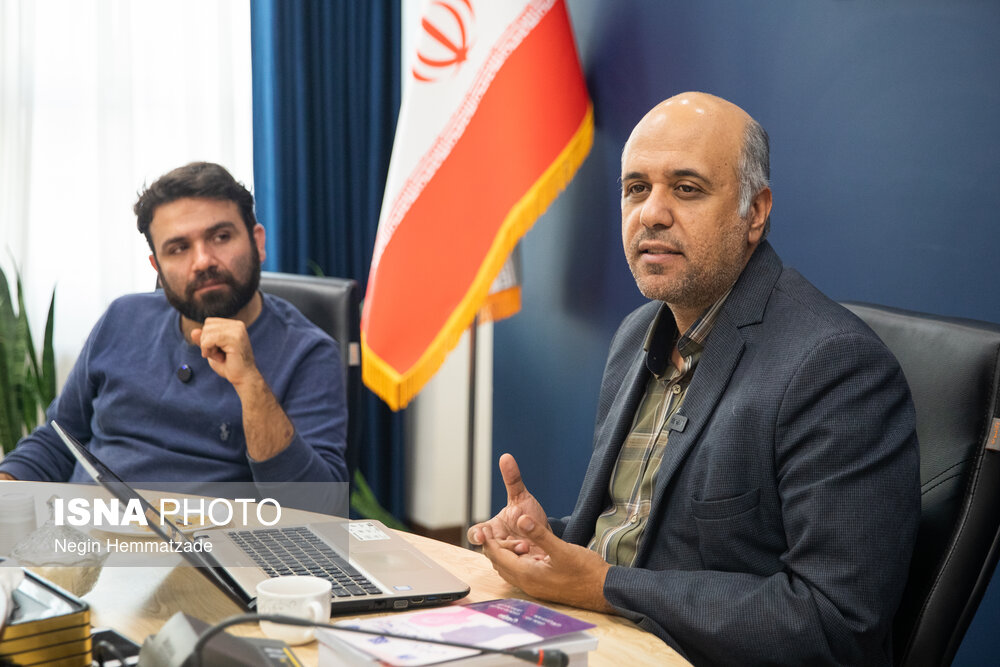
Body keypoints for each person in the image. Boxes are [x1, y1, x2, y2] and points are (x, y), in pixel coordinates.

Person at [469, 93, 920, 665]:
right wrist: (547, 541)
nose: (651, 214)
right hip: (595, 639)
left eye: (686, 188)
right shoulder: (638, 333)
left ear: (755, 213)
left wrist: (602, 586)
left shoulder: (836, 368)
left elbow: (836, 623)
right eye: (636, 188)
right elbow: (643, 537)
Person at [0, 162, 348, 484]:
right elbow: (58, 441)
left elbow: (316, 505)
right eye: (179, 248)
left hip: (207, 532)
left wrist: (250, 383)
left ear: (257, 243)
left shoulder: (308, 352)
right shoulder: (121, 318)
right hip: (85, 527)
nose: (203, 261)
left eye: (221, 237)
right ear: (158, 267)